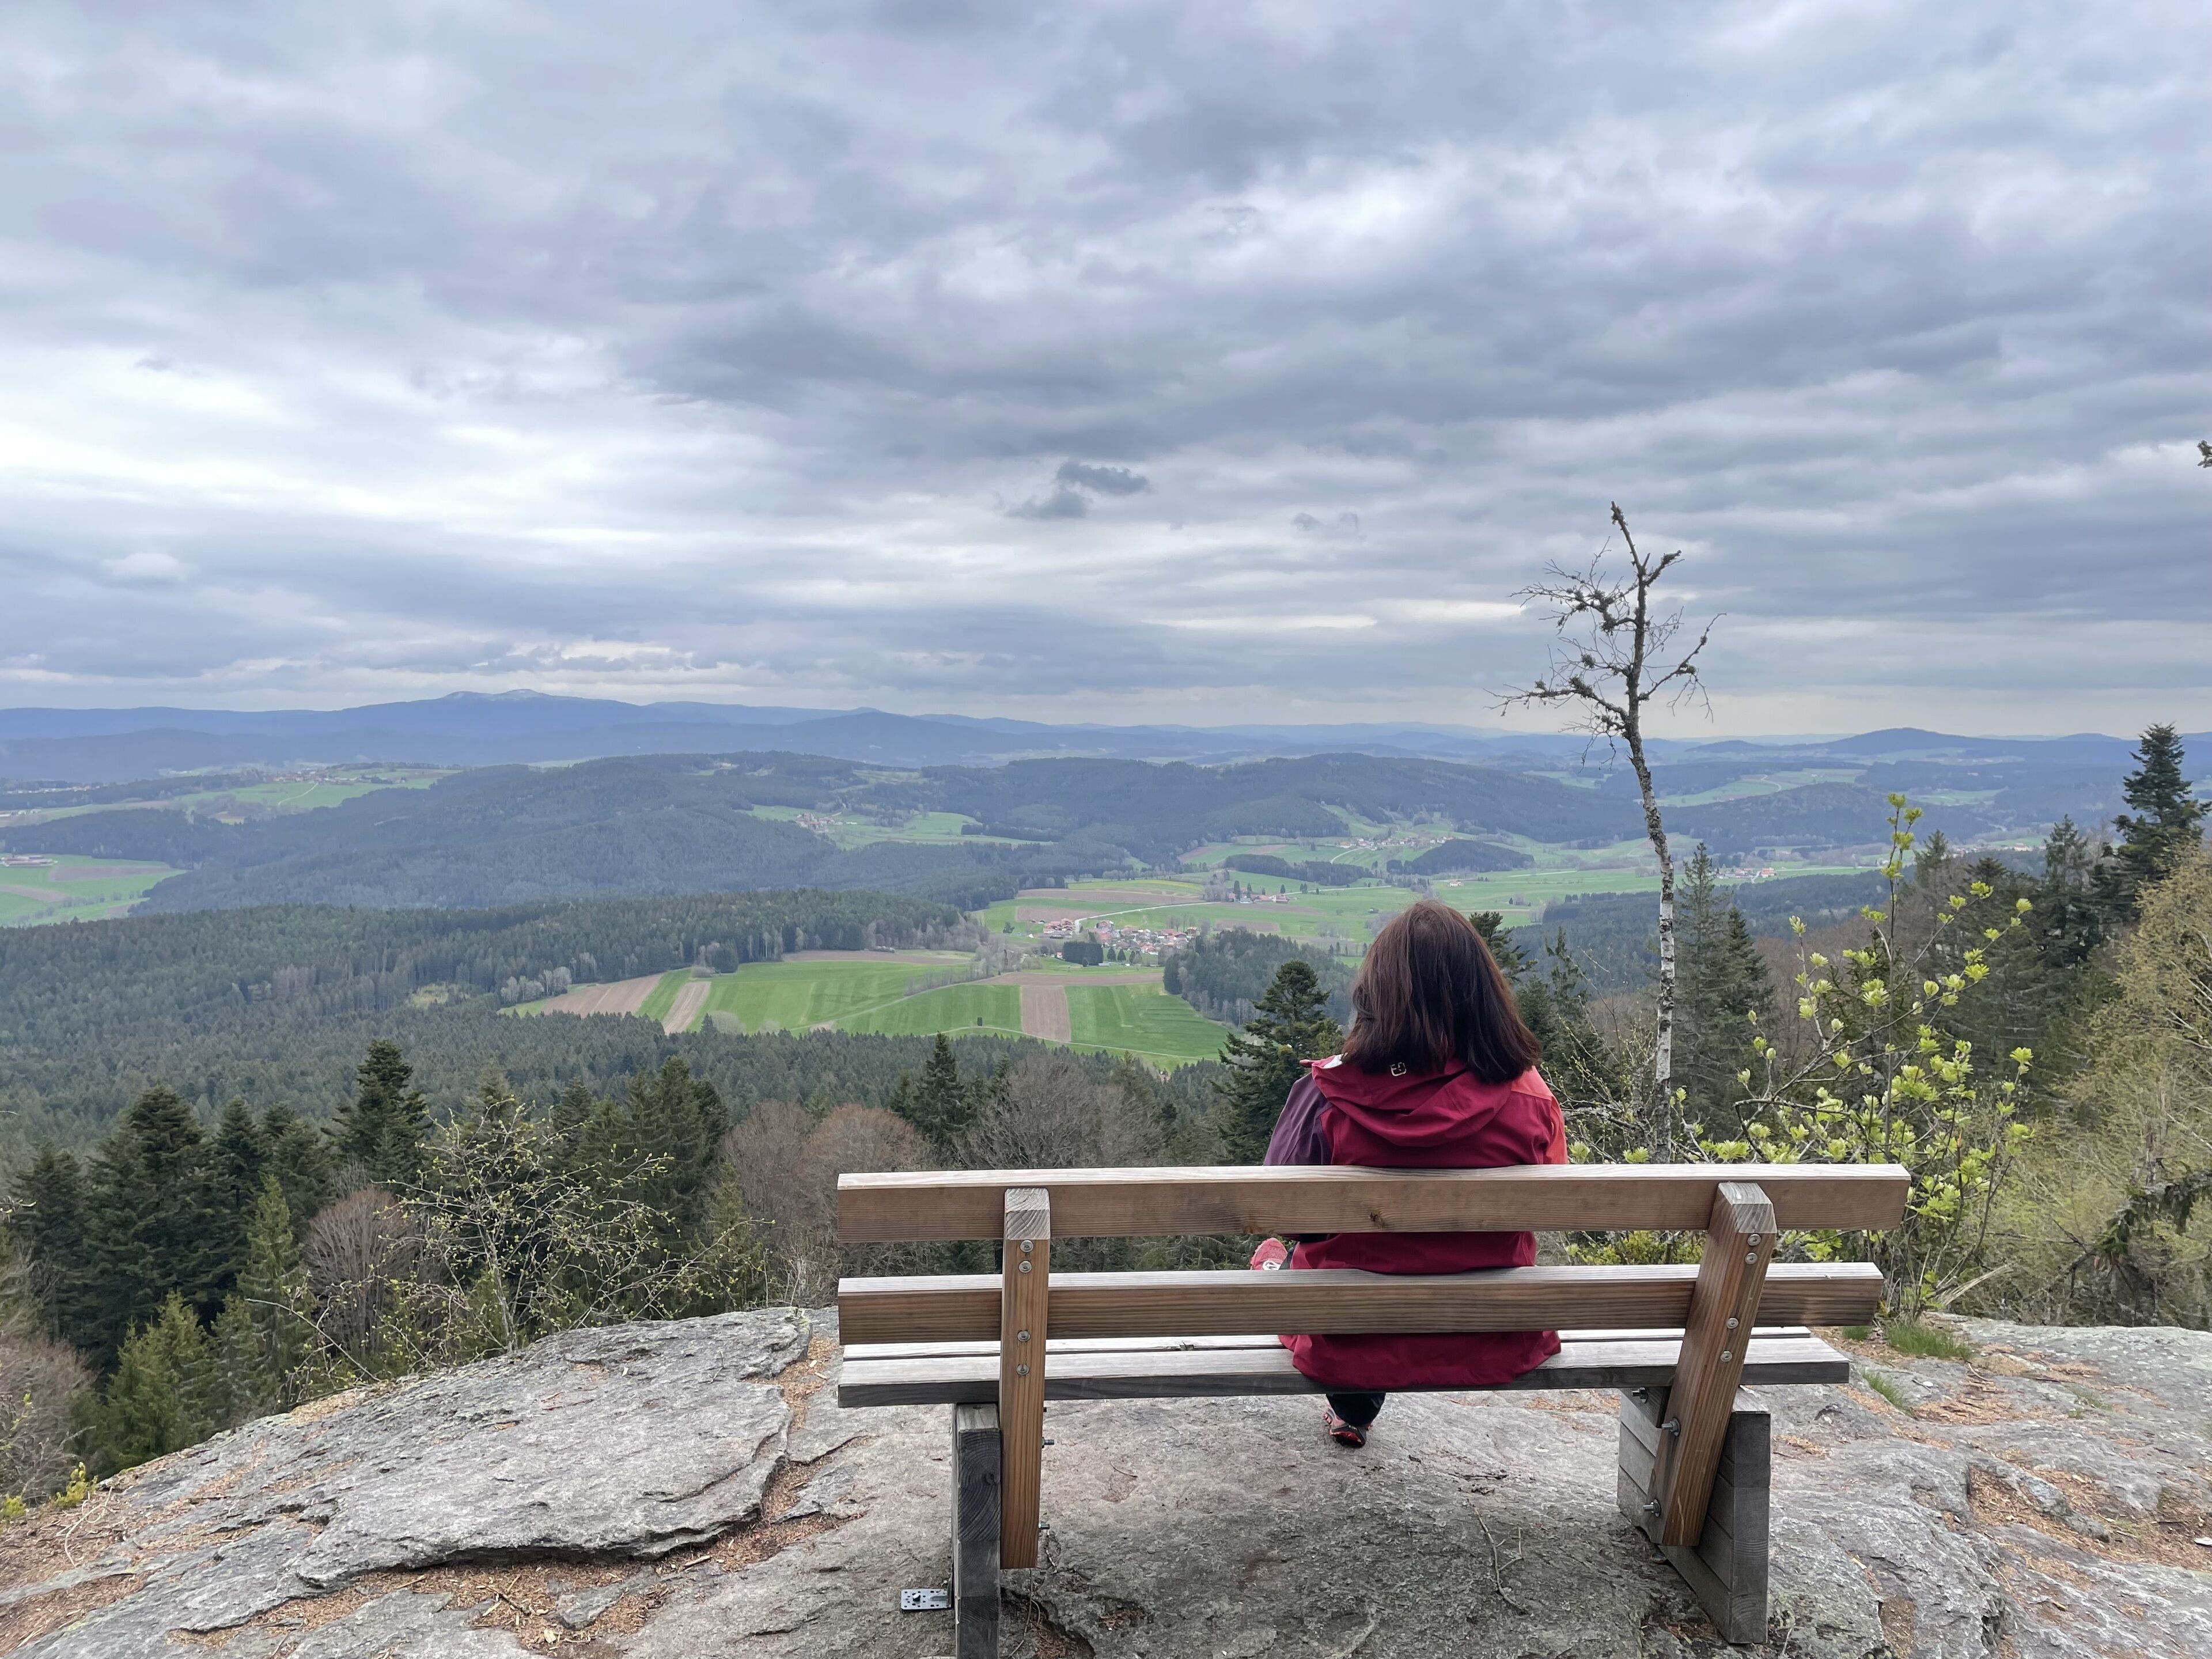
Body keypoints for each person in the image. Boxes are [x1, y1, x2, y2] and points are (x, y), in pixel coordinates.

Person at [1251, 899, 1566, 1448]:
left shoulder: (1327, 1097)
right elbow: (1550, 1200)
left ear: (1377, 994)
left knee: (1289, 1258)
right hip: (1494, 1333)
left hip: (1351, 1337)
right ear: (1484, 994)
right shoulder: (1531, 1100)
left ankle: (1353, 1407)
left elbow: (1284, 1215)